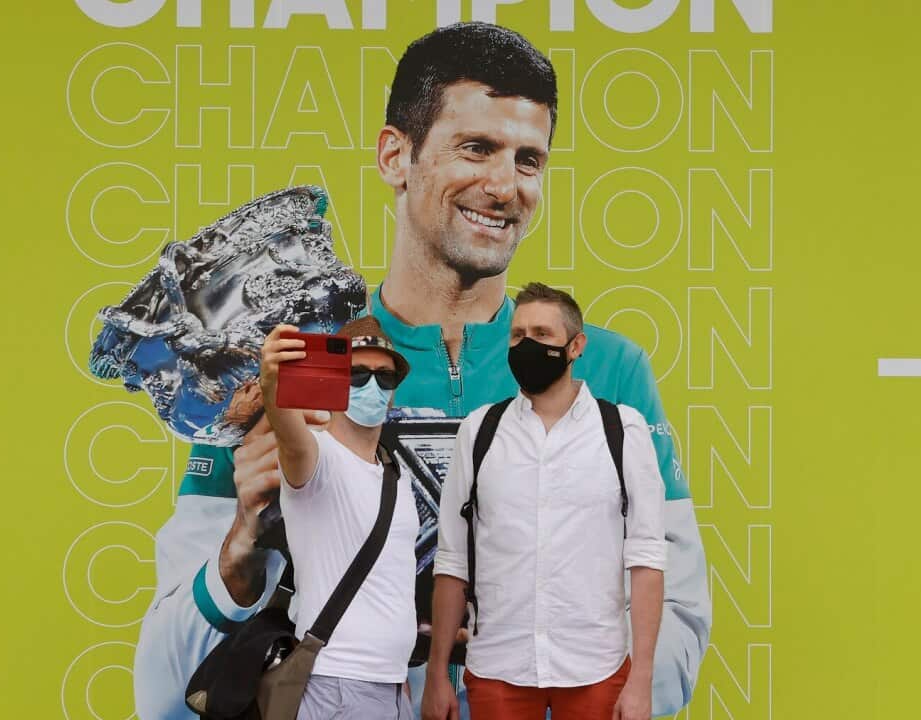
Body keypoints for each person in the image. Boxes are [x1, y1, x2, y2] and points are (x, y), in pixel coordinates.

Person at [133, 22, 711, 720]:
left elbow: (675, 618)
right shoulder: (289, 370)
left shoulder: (608, 369)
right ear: (394, 156)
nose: (505, 186)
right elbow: (165, 692)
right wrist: (240, 551)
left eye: (529, 159)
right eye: (477, 148)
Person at [423, 283, 665, 720]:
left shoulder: (622, 431)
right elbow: (453, 561)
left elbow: (646, 560)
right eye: (517, 336)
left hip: (596, 665)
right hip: (498, 665)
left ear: (576, 346)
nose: (526, 345)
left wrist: (642, 679)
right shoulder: (478, 432)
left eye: (542, 334)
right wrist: (438, 672)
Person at [257, 316, 418, 719]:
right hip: (336, 686)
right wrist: (271, 382)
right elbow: (288, 432)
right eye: (357, 374)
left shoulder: (395, 476)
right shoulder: (317, 457)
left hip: (391, 687)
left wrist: (396, 679)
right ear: (333, 382)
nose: (373, 386)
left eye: (385, 377)